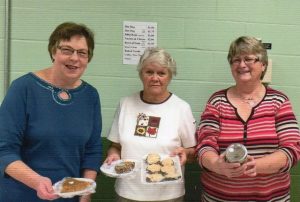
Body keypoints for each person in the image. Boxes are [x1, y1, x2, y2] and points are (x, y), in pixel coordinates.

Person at [0, 22, 102, 201]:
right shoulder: (23, 88)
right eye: (67, 50)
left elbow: (92, 150)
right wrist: (37, 181)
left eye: (82, 53)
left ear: (89, 58)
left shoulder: (90, 95)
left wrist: (86, 193)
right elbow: (4, 150)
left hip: (69, 197)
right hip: (23, 195)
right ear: (54, 51)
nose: (74, 58)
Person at [196, 36, 300, 201]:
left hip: (270, 197)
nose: (242, 65)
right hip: (219, 197)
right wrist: (218, 165)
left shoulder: (279, 101)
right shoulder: (217, 101)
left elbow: (292, 149)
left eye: (249, 59)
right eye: (236, 60)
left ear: (263, 64)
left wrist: (256, 166)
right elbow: (204, 145)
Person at [104, 47, 196, 202]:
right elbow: (115, 145)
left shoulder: (181, 108)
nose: (155, 78)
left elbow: (193, 152)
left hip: (168, 195)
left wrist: (186, 153)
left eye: (161, 73)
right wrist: (113, 155)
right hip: (128, 193)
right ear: (141, 74)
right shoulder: (125, 104)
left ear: (170, 76)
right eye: (149, 72)